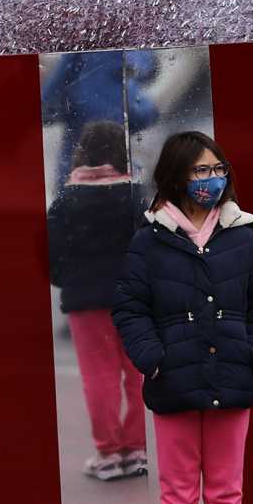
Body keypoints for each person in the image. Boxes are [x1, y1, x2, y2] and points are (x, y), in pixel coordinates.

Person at [113, 130, 253, 504]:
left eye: (217, 169)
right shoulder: (150, 239)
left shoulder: (243, 235)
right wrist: (154, 360)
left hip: (232, 380)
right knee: (179, 492)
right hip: (175, 385)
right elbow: (129, 308)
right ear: (175, 176)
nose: (211, 180)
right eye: (200, 171)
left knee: (226, 492)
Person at [48, 122, 147, 482]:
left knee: (98, 377)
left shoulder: (65, 201)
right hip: (134, 300)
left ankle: (107, 454)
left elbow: (50, 253)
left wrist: (68, 280)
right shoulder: (136, 196)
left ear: (83, 154)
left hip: (85, 302)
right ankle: (137, 449)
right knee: (136, 375)